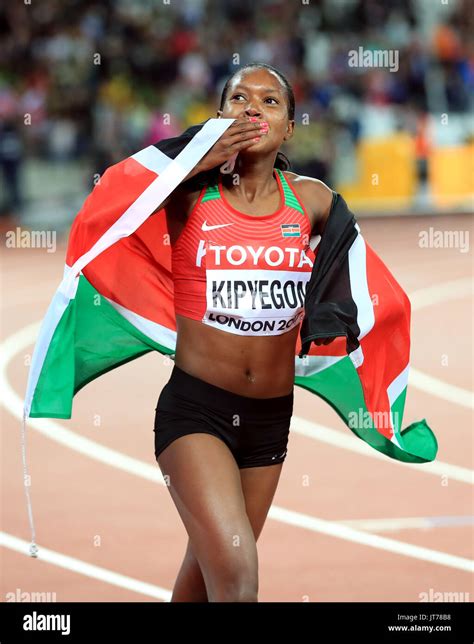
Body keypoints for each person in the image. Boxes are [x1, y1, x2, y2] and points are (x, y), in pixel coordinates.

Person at [153, 62, 335, 603]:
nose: (253, 107)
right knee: (237, 577)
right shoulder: (185, 195)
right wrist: (209, 149)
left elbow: (360, 278)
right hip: (195, 412)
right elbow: (133, 186)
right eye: (239, 98)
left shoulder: (315, 202)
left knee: (204, 581)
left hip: (270, 420)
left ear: (291, 127)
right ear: (218, 117)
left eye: (270, 101)